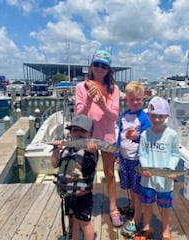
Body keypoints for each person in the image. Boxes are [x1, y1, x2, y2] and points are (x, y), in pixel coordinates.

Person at [74, 50, 124, 227]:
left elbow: (113, 116)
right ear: (91, 66)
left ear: (109, 69)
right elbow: (79, 115)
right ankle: (84, 205)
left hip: (107, 136)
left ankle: (113, 207)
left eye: (104, 66)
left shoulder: (114, 89)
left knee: (110, 173)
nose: (100, 68)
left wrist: (102, 103)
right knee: (86, 172)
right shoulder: (81, 86)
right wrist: (89, 100)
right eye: (97, 64)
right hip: (87, 136)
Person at [135, 96, 180, 240]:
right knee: (147, 204)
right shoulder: (144, 135)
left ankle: (166, 229)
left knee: (165, 207)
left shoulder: (172, 135)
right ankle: (146, 226)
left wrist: (170, 169)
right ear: (148, 115)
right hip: (147, 178)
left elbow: (175, 154)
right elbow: (142, 153)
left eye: (161, 116)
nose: (157, 119)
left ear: (167, 116)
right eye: (154, 116)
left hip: (165, 180)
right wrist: (145, 167)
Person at [51, 114, 98, 240]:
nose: (78, 133)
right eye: (75, 130)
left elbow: (88, 170)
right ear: (70, 133)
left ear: (90, 134)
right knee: (73, 221)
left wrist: (89, 153)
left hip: (83, 196)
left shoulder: (91, 152)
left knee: (85, 224)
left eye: (83, 131)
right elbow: (55, 164)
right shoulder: (67, 149)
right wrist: (56, 150)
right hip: (69, 195)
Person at [116, 81, 151, 237]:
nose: (135, 102)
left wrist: (137, 138)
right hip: (124, 158)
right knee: (130, 186)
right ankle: (132, 207)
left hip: (137, 160)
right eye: (132, 99)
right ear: (127, 100)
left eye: (138, 99)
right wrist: (118, 153)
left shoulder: (144, 118)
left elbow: (148, 139)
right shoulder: (124, 116)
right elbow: (120, 136)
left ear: (143, 99)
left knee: (137, 191)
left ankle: (137, 220)